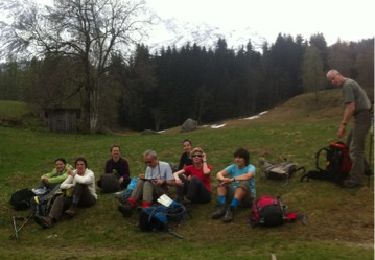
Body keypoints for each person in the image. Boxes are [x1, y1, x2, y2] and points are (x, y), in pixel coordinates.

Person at [326, 69, 372, 188]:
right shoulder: (350, 82)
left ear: (339, 75)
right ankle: (365, 169)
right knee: (351, 143)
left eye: (333, 78)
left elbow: (350, 107)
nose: (332, 82)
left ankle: (356, 180)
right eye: (330, 80)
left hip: (363, 117)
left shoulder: (347, 85)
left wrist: (343, 125)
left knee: (355, 149)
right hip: (362, 116)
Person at [34, 157, 97, 228]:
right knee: (59, 199)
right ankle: (49, 219)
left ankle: (73, 207)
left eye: (82, 164)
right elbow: (62, 185)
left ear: (86, 166)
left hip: (88, 199)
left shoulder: (90, 173)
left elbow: (84, 181)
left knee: (80, 184)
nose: (79, 166)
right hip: (75, 198)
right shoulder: (74, 172)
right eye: (78, 164)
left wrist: (74, 176)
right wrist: (72, 186)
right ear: (75, 166)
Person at [118, 150, 174, 216]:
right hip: (150, 192)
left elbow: (172, 182)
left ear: (155, 159)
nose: (148, 164)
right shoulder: (148, 168)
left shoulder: (165, 166)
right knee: (141, 181)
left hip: (162, 193)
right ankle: (130, 204)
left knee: (147, 183)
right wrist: (143, 177)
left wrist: (163, 181)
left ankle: (146, 207)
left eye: (149, 162)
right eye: (146, 162)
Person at [211, 148, 256, 222]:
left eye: (240, 158)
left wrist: (232, 180)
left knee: (244, 182)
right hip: (234, 195)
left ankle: (232, 209)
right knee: (222, 183)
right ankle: (222, 207)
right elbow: (218, 173)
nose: (237, 160)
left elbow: (248, 176)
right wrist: (223, 179)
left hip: (247, 199)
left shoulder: (251, 167)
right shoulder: (233, 167)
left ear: (245, 159)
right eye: (236, 157)